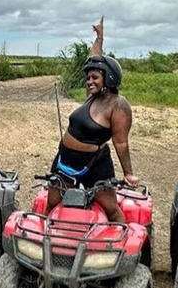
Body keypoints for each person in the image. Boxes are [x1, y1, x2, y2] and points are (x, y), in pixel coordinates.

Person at [46, 16, 139, 223]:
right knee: (52, 203)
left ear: (108, 78)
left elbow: (121, 142)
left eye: (95, 78)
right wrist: (99, 39)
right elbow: (94, 60)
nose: (89, 81)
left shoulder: (118, 105)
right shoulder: (92, 98)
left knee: (110, 208)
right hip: (65, 160)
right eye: (88, 78)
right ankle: (41, 242)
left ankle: (120, 247)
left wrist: (129, 173)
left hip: (94, 164)